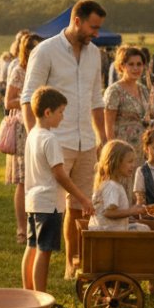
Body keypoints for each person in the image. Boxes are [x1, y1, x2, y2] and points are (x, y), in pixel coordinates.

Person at [22, 0, 109, 277]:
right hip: (54, 142)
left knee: (80, 206)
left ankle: (73, 264)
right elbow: (28, 97)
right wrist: (35, 138)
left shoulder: (95, 54)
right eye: (93, 27)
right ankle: (39, 275)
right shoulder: (45, 51)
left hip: (86, 142)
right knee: (49, 211)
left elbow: (97, 98)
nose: (96, 33)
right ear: (76, 21)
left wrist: (104, 138)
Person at [21, 86, 94, 293]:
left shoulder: (33, 135)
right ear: (48, 112)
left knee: (32, 246)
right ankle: (40, 296)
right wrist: (82, 198)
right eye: (60, 112)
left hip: (33, 201)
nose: (62, 117)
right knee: (44, 251)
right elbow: (60, 174)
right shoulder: (50, 139)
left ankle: (28, 292)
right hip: (49, 203)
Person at [5, 32, 43, 244]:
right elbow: (8, 102)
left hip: (44, 126)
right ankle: (21, 229)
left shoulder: (45, 70)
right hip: (22, 129)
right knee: (23, 181)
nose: (34, 52)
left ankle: (38, 226)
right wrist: (30, 99)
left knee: (41, 179)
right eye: (31, 48)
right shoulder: (19, 70)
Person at [89, 140, 153, 231]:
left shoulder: (112, 184)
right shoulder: (112, 186)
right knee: (144, 230)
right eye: (130, 162)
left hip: (110, 229)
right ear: (116, 162)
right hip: (107, 232)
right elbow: (108, 212)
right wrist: (131, 211)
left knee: (143, 228)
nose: (133, 165)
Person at [103, 45, 154, 152]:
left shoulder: (144, 90)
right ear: (122, 66)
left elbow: (147, 117)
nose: (136, 68)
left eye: (139, 64)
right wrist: (114, 150)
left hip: (143, 149)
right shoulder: (114, 91)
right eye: (131, 64)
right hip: (122, 149)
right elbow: (108, 125)